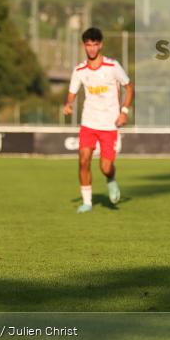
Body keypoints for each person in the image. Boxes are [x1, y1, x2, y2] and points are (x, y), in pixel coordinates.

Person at [63, 28, 133, 213]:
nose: (92, 48)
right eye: (88, 45)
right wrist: (68, 104)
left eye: (95, 44)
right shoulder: (79, 70)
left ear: (100, 45)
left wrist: (124, 112)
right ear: (84, 46)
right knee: (83, 160)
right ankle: (87, 202)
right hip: (88, 123)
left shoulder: (112, 66)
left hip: (109, 125)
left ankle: (111, 179)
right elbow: (72, 92)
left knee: (105, 167)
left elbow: (129, 88)